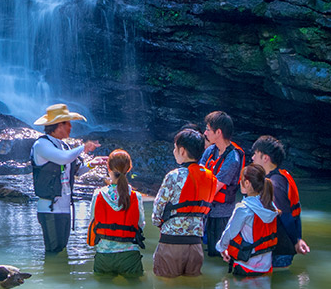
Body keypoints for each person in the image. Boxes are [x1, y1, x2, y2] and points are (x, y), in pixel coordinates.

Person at [31, 103, 100, 256]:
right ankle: (50, 278)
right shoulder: (41, 145)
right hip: (49, 208)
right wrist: (83, 147)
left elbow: (76, 171)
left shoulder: (65, 147)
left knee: (62, 250)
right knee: (53, 251)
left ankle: (60, 277)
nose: (70, 127)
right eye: (67, 123)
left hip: (65, 207)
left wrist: (92, 164)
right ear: (57, 125)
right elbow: (63, 160)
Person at [150, 128, 216, 278]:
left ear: (182, 151)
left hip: (171, 243)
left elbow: (158, 207)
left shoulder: (174, 176)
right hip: (195, 245)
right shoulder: (210, 177)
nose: (174, 152)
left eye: (175, 148)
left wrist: (157, 223)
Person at [250, 135, 309, 268]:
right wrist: (298, 238)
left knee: (275, 281)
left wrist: (296, 242)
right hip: (282, 245)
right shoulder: (281, 176)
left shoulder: (274, 184)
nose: (252, 158)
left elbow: (287, 217)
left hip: (280, 247)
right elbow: (296, 213)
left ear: (265, 158)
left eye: (255, 154)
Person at [88, 150, 145, 278]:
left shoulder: (98, 194)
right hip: (129, 257)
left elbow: (92, 222)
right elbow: (140, 224)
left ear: (108, 168)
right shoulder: (136, 196)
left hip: (104, 256)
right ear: (129, 169)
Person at [215, 166, 280, 277]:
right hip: (266, 267)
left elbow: (230, 233)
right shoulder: (271, 206)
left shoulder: (243, 209)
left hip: (246, 266)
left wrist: (221, 248)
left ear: (247, 183)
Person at [200, 111, 245, 258]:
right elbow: (199, 172)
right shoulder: (211, 150)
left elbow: (216, 186)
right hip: (207, 209)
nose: (205, 133)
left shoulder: (233, 158)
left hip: (221, 213)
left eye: (207, 129)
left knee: (217, 253)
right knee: (207, 251)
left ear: (218, 132)